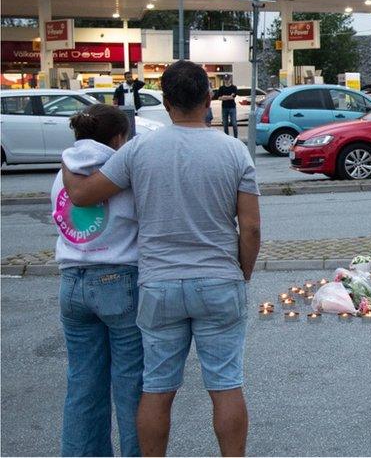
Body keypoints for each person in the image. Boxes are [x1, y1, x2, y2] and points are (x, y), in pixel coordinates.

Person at [61, 60, 262, 457]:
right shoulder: (235, 151)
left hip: (159, 285)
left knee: (156, 389)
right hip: (218, 280)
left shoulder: (138, 150)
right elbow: (251, 228)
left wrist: (69, 164)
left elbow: (84, 196)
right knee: (225, 385)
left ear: (166, 103)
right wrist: (242, 273)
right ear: (208, 100)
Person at [53, 104, 142, 457]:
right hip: (119, 279)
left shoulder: (65, 173)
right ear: (119, 138)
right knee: (131, 386)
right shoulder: (117, 172)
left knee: (82, 386)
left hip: (71, 282)